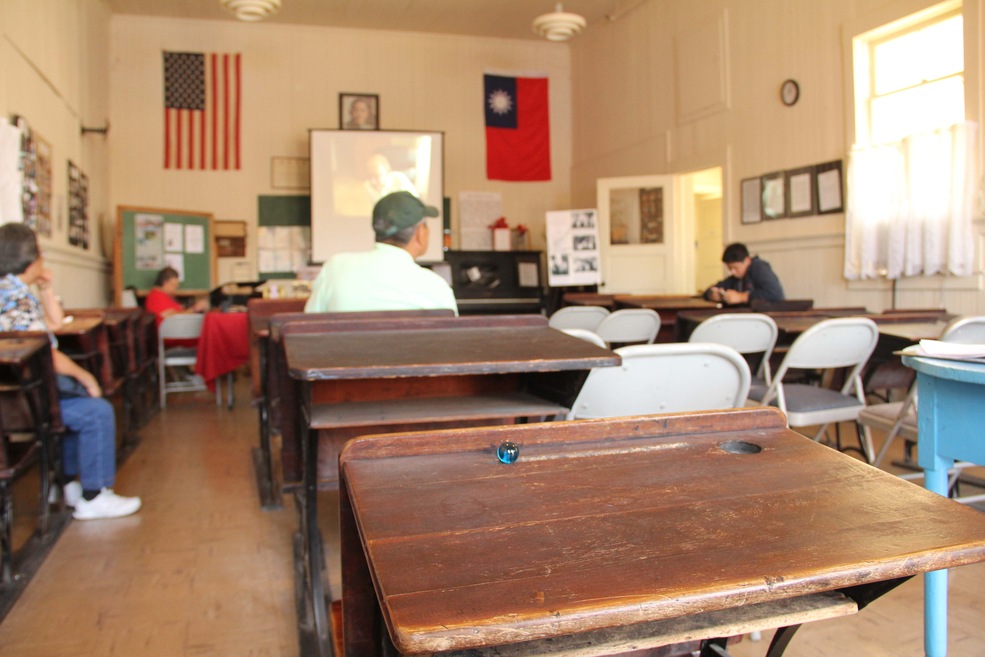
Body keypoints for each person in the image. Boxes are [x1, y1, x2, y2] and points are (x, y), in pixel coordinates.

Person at [0, 223, 141, 520]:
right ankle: (95, 496)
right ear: (32, 258)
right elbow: (45, 353)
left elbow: (54, 325)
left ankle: (64, 485)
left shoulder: (11, 291)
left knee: (72, 403)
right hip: (24, 403)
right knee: (95, 411)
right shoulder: (19, 299)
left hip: (13, 396)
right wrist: (84, 376)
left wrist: (46, 286)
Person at [305, 191, 458, 314]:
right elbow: (451, 345)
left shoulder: (335, 268)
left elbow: (309, 327)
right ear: (419, 233)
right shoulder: (435, 287)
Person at [703, 242, 785, 306]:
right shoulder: (736, 277)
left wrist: (741, 297)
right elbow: (713, 289)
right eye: (730, 269)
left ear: (747, 260)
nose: (732, 272)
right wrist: (711, 294)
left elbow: (775, 293)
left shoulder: (759, 268)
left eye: (735, 268)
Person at [144, 266, 208, 327]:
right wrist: (195, 309)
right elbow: (172, 317)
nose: (176, 288)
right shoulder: (156, 296)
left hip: (178, 330)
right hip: (171, 334)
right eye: (174, 285)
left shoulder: (166, 296)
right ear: (165, 283)